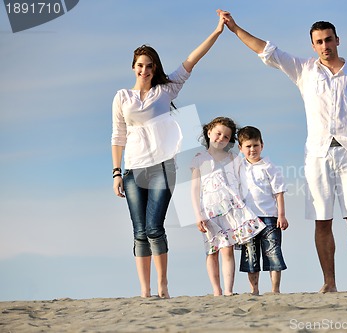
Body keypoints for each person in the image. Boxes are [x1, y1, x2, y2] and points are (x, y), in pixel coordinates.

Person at [219, 10, 347, 292]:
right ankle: (329, 282)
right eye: (319, 42)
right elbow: (267, 51)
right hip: (317, 156)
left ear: (338, 40)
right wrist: (236, 29)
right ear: (313, 46)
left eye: (329, 40)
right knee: (322, 220)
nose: (325, 46)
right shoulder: (304, 70)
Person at [111, 13, 226, 299]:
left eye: (149, 66)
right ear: (133, 67)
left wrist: (218, 30)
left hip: (163, 167)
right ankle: (145, 291)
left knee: (154, 227)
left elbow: (191, 59)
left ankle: (162, 286)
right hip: (133, 170)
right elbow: (118, 137)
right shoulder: (122, 97)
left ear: (155, 68)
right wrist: (116, 172)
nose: (145, 70)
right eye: (140, 65)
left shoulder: (166, 89)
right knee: (139, 232)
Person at [190, 117, 266, 296]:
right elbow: (194, 189)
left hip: (231, 210)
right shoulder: (199, 159)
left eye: (226, 136)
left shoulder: (234, 158)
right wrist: (197, 214)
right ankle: (216, 290)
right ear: (209, 133)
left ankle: (229, 290)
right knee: (212, 251)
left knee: (227, 249)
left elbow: (243, 183)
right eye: (218, 134)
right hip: (208, 212)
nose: (221, 138)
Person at [237, 126, 289, 295]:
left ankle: (275, 289)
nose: (252, 149)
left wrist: (281, 215)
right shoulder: (239, 167)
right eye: (248, 146)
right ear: (241, 148)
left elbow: (279, 192)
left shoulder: (269, 166)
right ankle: (255, 290)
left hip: (270, 218)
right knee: (250, 255)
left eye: (255, 145)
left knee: (273, 253)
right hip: (248, 219)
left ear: (262, 145)